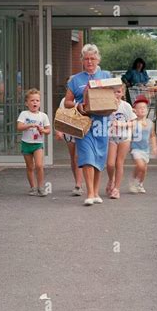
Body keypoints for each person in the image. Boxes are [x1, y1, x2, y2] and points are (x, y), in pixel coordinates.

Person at [64, 44, 113, 206]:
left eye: (92, 58)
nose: (90, 62)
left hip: (102, 124)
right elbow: (67, 102)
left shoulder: (106, 75)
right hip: (83, 124)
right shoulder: (75, 79)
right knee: (87, 157)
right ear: (82, 61)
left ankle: (96, 192)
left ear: (98, 59)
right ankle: (90, 193)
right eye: (86, 59)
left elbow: (116, 96)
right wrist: (78, 105)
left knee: (99, 158)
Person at [17, 88, 51, 196]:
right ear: (27, 103)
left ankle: (41, 187)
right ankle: (32, 187)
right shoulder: (24, 114)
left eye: (37, 100)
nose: (35, 102)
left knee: (39, 165)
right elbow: (19, 126)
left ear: (40, 102)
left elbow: (48, 130)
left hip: (38, 144)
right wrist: (29, 125)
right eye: (32, 100)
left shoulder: (43, 116)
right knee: (30, 167)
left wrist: (42, 130)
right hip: (26, 143)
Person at [105, 83, 137, 199]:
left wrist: (122, 124)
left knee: (119, 163)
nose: (116, 94)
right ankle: (110, 180)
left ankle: (116, 189)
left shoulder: (126, 106)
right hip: (111, 137)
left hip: (124, 137)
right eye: (113, 92)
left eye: (118, 92)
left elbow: (134, 122)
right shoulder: (106, 106)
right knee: (110, 164)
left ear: (122, 93)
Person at [56, 87, 83, 196]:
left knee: (78, 157)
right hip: (69, 132)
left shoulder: (84, 98)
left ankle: (79, 184)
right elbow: (60, 116)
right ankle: (77, 181)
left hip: (82, 131)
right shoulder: (64, 101)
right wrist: (58, 130)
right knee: (73, 159)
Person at [129, 95, 157, 194]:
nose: (142, 109)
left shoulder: (150, 123)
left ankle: (140, 183)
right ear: (135, 111)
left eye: (144, 107)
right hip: (135, 149)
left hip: (146, 150)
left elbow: (152, 136)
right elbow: (129, 134)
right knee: (140, 166)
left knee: (144, 169)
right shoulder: (133, 122)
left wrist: (154, 146)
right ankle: (134, 181)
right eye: (139, 108)